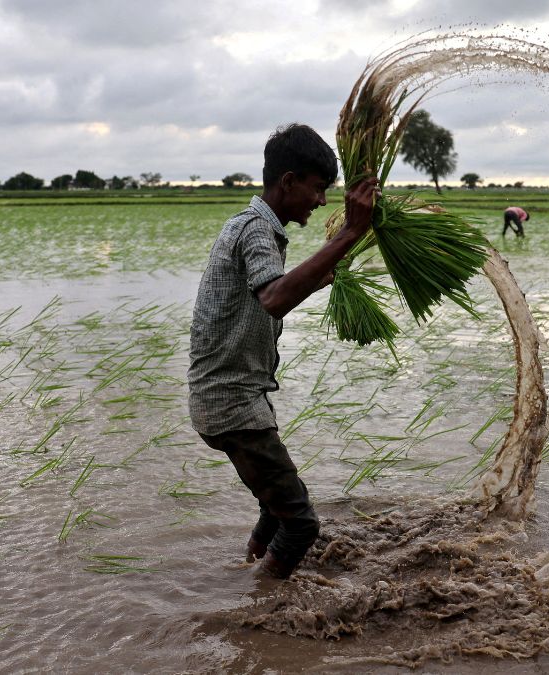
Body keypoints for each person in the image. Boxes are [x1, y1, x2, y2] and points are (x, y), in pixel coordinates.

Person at [187, 123, 378, 579]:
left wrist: (324, 273)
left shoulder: (258, 229)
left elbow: (267, 298)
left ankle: (244, 571)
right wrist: (350, 233)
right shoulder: (255, 229)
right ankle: (257, 609)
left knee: (275, 512)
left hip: (233, 399)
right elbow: (274, 298)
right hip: (232, 404)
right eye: (317, 189)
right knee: (301, 525)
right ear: (288, 181)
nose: (321, 201)